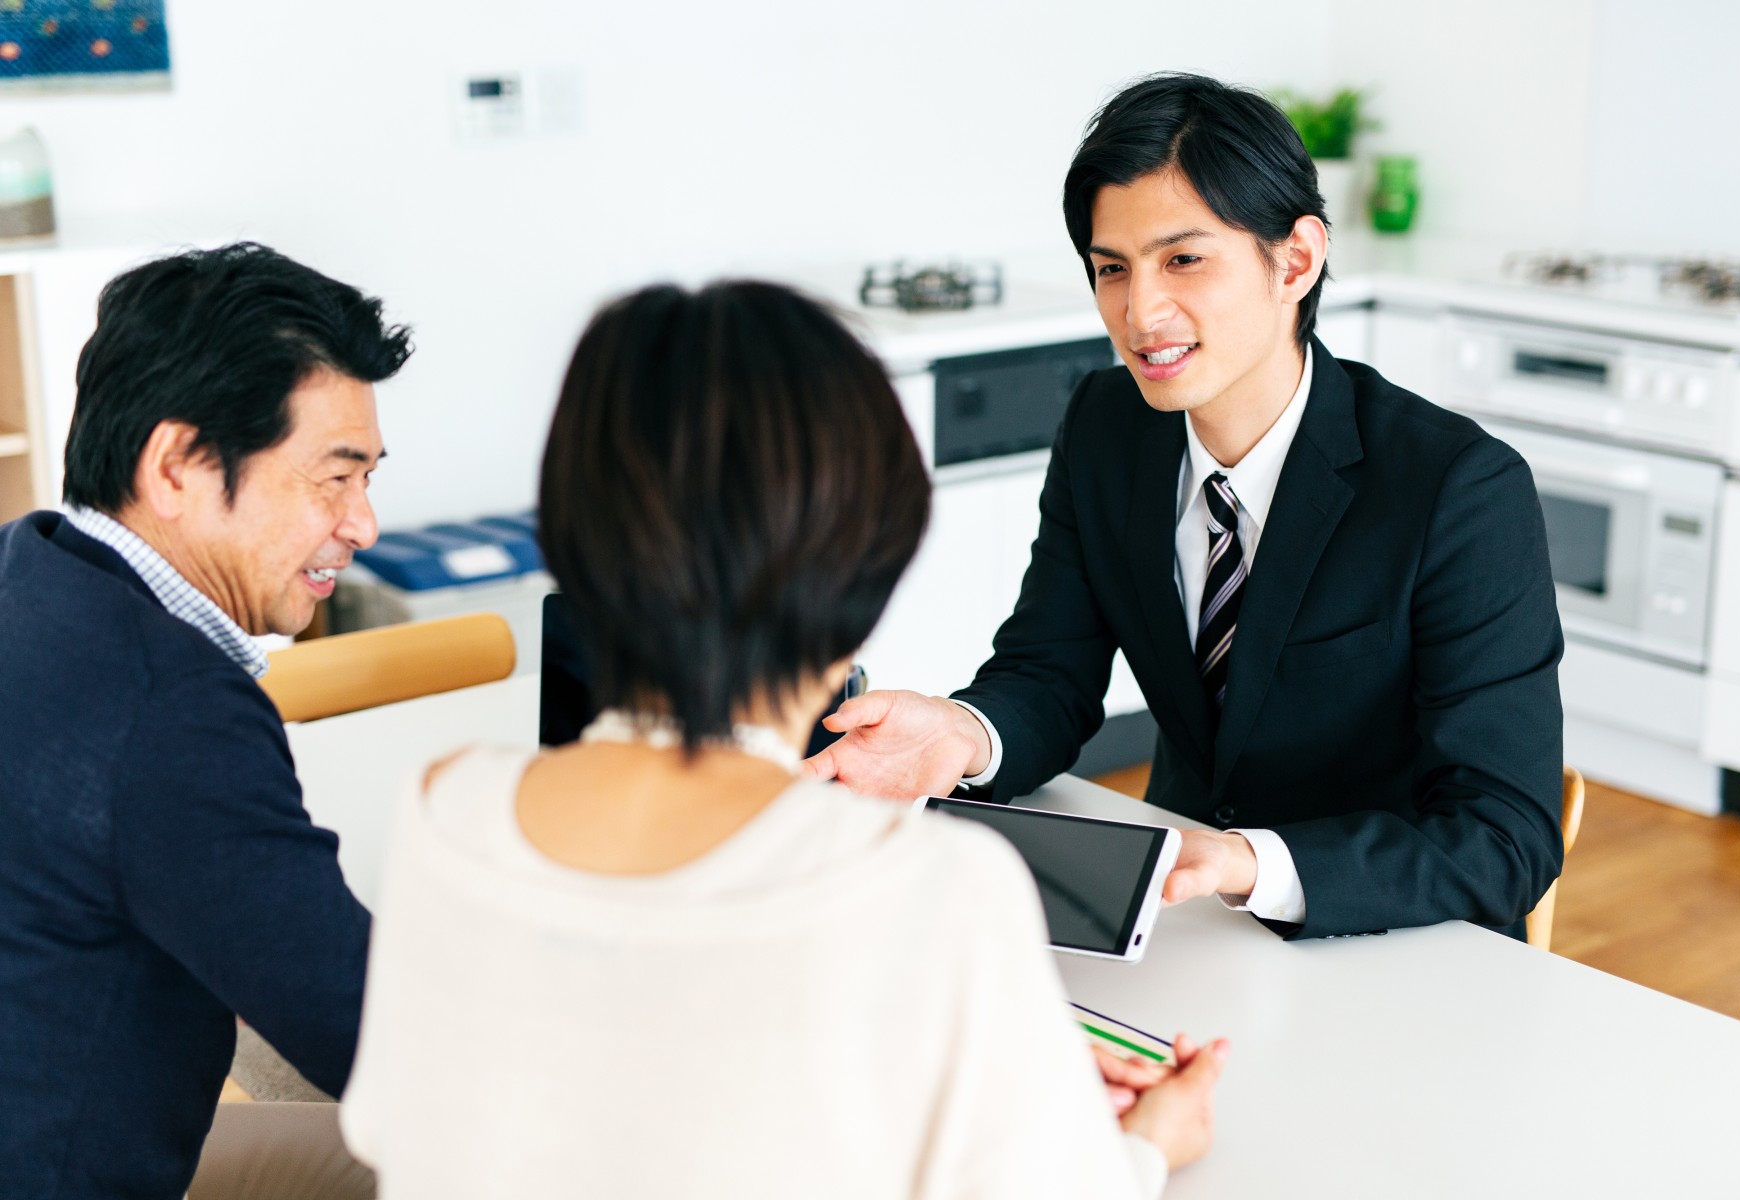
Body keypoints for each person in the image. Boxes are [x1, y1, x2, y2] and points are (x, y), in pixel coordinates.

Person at [339, 281, 1227, 1198]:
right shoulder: (935, 890)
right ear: (870, 556)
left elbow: (395, 1131)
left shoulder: (442, 809)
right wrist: (1147, 1145)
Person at [806, 72, 1566, 942]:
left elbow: (1504, 837)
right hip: (1176, 914)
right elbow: (1048, 673)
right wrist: (963, 734)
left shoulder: (1458, 489)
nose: (1141, 312)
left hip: (1391, 933)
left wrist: (1253, 863)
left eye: (1183, 259)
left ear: (1296, 260)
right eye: (1111, 269)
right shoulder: (1106, 425)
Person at [0, 243, 409, 1198]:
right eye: (333, 478)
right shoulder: (166, 708)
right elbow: (379, 1039)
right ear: (178, 465)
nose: (364, 523)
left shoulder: (31, 567)